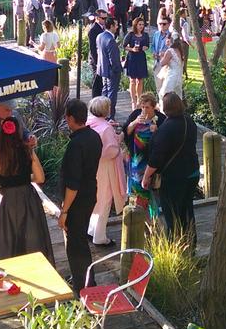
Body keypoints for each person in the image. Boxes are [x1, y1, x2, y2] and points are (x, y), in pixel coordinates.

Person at [0, 116, 54, 264]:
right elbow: (40, 178)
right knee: (32, 239)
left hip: (4, 201)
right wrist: (25, 179)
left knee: (4, 242)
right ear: (19, 132)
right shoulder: (28, 151)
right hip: (27, 198)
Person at [58, 99, 102, 295]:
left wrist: (64, 211)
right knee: (81, 240)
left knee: (75, 244)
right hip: (91, 193)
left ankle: (81, 286)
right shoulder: (94, 136)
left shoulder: (76, 145)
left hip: (77, 200)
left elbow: (73, 184)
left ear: (70, 118)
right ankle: (86, 279)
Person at [142, 93, 200, 239]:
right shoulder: (189, 121)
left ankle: (176, 245)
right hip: (192, 173)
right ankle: (190, 243)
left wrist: (146, 177)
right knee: (187, 210)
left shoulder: (166, 128)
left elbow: (156, 159)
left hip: (174, 177)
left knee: (172, 214)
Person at [87, 97, 126, 246]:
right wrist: (120, 139)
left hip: (92, 166)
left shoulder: (89, 123)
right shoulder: (106, 128)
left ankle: (91, 230)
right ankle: (100, 237)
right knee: (105, 200)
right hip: (105, 167)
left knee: (96, 199)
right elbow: (111, 151)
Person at [123, 93, 166, 217]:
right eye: (142, 107)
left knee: (150, 189)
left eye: (147, 107)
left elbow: (165, 141)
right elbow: (126, 131)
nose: (144, 110)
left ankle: (151, 217)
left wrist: (156, 131)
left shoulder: (161, 119)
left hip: (151, 161)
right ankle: (142, 215)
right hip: (136, 159)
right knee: (138, 190)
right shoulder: (135, 115)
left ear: (154, 107)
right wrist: (135, 122)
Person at [96, 16, 123, 118]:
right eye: (116, 25)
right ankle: (110, 116)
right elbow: (114, 60)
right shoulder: (110, 39)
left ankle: (102, 113)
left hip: (103, 69)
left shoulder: (99, 36)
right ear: (111, 26)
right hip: (112, 71)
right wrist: (118, 69)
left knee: (105, 92)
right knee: (112, 95)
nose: (117, 27)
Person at [123, 17, 150, 110]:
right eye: (140, 24)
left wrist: (145, 48)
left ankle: (139, 99)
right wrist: (132, 49)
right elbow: (124, 45)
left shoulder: (145, 35)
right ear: (135, 25)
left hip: (141, 58)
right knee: (132, 80)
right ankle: (133, 101)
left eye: (142, 24)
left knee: (140, 80)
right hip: (132, 58)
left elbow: (147, 45)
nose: (141, 26)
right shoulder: (130, 34)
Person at [88, 10, 107, 97]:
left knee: (101, 83)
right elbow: (92, 48)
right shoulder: (93, 30)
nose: (105, 20)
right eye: (103, 18)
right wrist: (97, 62)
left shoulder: (104, 28)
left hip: (102, 58)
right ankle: (95, 103)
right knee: (97, 82)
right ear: (97, 18)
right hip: (96, 59)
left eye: (106, 18)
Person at [151, 18, 171, 93]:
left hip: (167, 64)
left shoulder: (171, 35)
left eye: (164, 24)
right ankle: (160, 103)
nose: (162, 25)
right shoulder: (156, 34)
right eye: (160, 24)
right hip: (157, 62)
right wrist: (153, 52)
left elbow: (173, 48)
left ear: (169, 25)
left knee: (166, 86)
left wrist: (165, 53)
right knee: (158, 86)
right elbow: (152, 45)